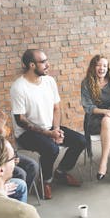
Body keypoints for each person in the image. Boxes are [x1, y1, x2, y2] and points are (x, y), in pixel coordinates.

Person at [11, 49, 85, 200]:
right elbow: (21, 120)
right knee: (51, 149)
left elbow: (56, 108)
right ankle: (46, 181)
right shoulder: (19, 87)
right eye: (43, 62)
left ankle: (61, 172)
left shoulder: (49, 81)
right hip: (27, 133)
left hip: (50, 127)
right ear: (32, 65)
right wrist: (48, 134)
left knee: (81, 141)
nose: (48, 65)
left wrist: (56, 130)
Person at [81, 54, 110, 187]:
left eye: (105, 65)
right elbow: (88, 107)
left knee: (109, 122)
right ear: (93, 67)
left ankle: (103, 164)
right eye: (98, 65)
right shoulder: (86, 83)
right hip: (94, 119)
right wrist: (105, 112)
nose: (102, 68)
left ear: (108, 68)